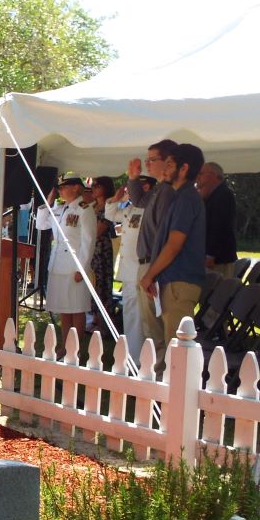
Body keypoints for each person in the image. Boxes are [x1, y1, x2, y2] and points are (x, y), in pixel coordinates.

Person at [139, 143, 208, 372]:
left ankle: (175, 400)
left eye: (169, 164)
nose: (165, 169)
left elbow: (174, 245)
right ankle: (164, 395)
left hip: (179, 282)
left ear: (184, 168)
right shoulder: (179, 197)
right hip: (171, 280)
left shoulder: (187, 198)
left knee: (178, 349)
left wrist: (149, 275)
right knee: (169, 346)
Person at [127, 139, 180, 361]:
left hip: (154, 264)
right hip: (147, 263)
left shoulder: (167, 192)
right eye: (146, 160)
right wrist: (132, 178)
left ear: (168, 162)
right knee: (151, 327)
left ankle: (161, 378)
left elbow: (165, 236)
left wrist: (152, 273)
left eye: (152, 160)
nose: (147, 164)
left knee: (157, 329)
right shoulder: (159, 189)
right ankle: (156, 375)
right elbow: (139, 200)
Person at [34, 176, 97, 359]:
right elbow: (41, 224)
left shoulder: (85, 210)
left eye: (64, 187)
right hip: (58, 264)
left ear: (76, 188)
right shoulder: (61, 209)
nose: (60, 190)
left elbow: (88, 241)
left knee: (76, 307)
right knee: (64, 307)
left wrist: (82, 269)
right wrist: (48, 202)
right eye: (59, 188)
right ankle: (65, 346)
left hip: (74, 265)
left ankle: (75, 348)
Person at [105, 175, 151, 362]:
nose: (129, 191)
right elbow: (110, 214)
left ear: (146, 187)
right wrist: (116, 199)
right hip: (128, 270)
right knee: (130, 314)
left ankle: (140, 359)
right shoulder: (131, 208)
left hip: (140, 270)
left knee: (140, 317)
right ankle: (132, 355)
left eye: (133, 187)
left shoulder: (150, 209)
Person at [197, 162, 238, 278]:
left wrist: (211, 255)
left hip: (218, 259)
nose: (197, 177)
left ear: (213, 175)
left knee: (220, 293)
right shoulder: (212, 195)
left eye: (201, 174)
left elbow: (219, 227)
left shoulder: (224, 194)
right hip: (214, 257)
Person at [87, 177, 116, 328]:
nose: (93, 188)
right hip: (91, 250)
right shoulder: (92, 207)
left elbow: (98, 231)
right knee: (93, 283)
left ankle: (105, 322)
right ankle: (95, 318)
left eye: (97, 185)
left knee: (103, 284)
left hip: (102, 251)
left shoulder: (109, 208)